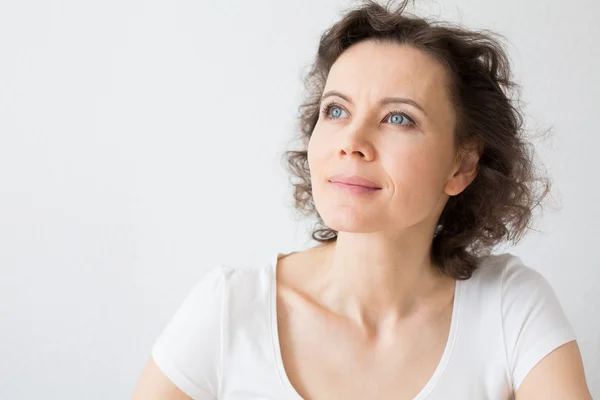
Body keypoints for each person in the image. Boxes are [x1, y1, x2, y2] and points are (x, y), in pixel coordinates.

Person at [131, 0, 593, 398]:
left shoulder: (510, 309)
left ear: (462, 166)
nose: (351, 141)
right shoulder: (230, 308)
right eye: (336, 111)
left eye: (398, 118)